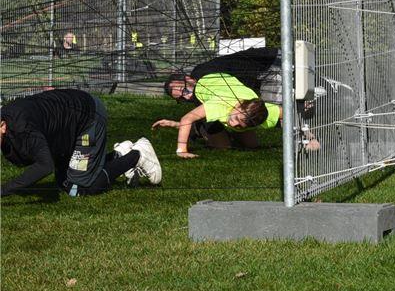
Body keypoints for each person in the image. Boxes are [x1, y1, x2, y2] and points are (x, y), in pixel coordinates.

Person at [1, 88, 161, 198]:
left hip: (88, 117)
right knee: (64, 183)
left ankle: (138, 155)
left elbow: (45, 166)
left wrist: (4, 190)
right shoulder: (8, 120)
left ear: (3, 126)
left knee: (79, 188)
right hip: (68, 127)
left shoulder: (23, 128)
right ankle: (119, 154)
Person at [157, 47, 284, 153]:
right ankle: (199, 129)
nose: (187, 97)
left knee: (252, 145)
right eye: (181, 99)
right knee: (225, 146)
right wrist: (182, 149)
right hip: (237, 96)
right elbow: (188, 119)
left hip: (271, 62)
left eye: (185, 91)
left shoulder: (205, 76)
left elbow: (284, 113)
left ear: (189, 79)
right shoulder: (215, 101)